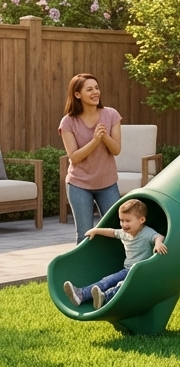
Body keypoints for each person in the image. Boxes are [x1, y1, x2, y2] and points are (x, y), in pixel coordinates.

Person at [63, 198, 167, 309]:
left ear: (141, 220)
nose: (123, 224)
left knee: (122, 285)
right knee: (107, 280)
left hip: (141, 273)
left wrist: (158, 243)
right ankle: (82, 295)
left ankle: (104, 297)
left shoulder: (147, 233)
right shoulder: (124, 233)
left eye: (128, 221)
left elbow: (159, 236)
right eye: (121, 220)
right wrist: (96, 230)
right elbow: (112, 232)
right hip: (127, 269)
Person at [59, 73, 122, 243]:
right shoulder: (68, 122)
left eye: (97, 88)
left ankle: (117, 268)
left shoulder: (111, 115)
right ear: (77, 94)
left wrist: (104, 137)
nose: (95, 92)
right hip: (79, 184)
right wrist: (95, 141)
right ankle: (83, 269)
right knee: (85, 235)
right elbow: (74, 157)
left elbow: (116, 150)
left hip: (107, 183)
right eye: (89, 89)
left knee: (116, 232)